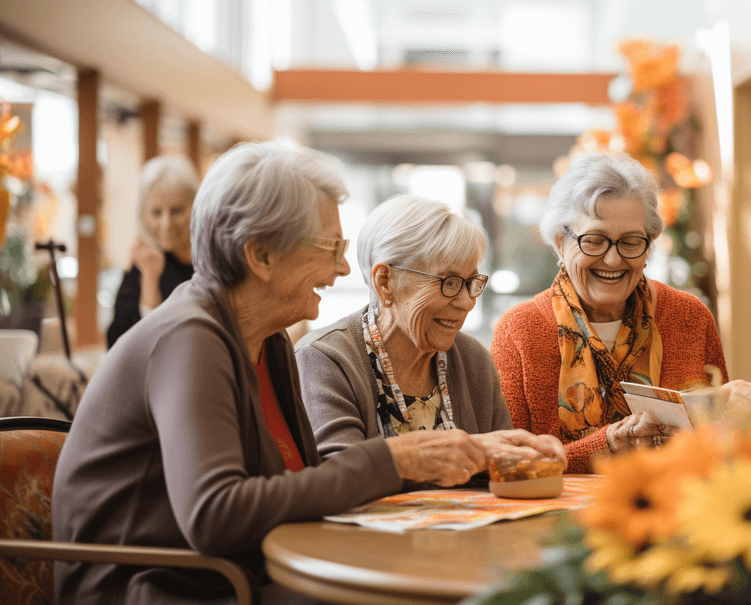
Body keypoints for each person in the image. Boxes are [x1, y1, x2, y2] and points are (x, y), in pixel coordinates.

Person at [51, 143, 497, 605]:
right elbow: (215, 516)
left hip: (231, 574)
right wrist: (396, 460)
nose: (344, 267)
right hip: (151, 587)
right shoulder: (189, 339)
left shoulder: (269, 341)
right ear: (260, 255)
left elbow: (300, 483)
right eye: (330, 247)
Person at [491, 152, 728, 474]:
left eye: (631, 242)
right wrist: (608, 446)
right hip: (555, 520)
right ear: (561, 243)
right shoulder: (521, 329)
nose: (613, 260)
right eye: (595, 240)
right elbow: (507, 462)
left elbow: (724, 444)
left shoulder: (690, 317)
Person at [295, 194, 565, 471]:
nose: (467, 302)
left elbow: (502, 469)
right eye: (449, 282)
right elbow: (338, 477)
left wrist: (529, 457)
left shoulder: (473, 360)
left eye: (471, 282)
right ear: (385, 281)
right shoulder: (325, 360)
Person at [106, 155, 199, 347]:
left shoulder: (213, 262)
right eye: (157, 213)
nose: (166, 224)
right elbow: (119, 342)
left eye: (176, 211)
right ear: (144, 215)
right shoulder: (142, 263)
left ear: (197, 206)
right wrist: (150, 277)